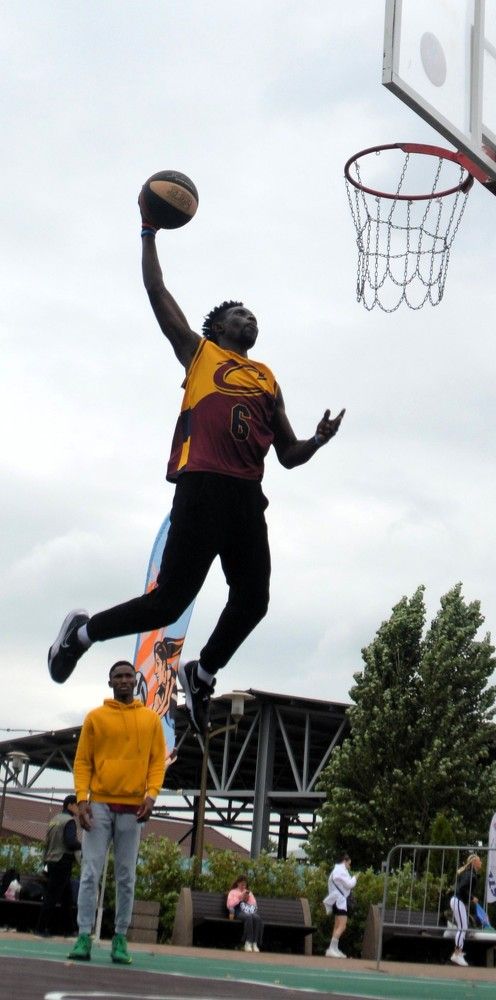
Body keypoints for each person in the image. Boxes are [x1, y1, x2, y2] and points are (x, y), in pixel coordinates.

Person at [48, 208, 345, 737]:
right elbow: (157, 292)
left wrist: (318, 441)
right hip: (203, 485)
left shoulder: (268, 379)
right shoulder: (198, 351)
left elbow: (288, 454)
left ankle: (202, 673)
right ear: (219, 327)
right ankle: (81, 634)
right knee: (169, 601)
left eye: (254, 315)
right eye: (240, 314)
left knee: (254, 600)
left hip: (247, 496)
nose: (250, 319)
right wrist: (149, 233)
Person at [68, 660, 166, 964]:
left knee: (126, 876)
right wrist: (82, 800)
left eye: (128, 676)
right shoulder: (95, 718)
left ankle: (120, 938)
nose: (123, 680)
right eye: (118, 677)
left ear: (136, 682)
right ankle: (84, 935)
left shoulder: (151, 719)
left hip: (133, 807)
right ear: (110, 682)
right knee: (90, 872)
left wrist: (151, 796)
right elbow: (82, 761)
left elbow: (157, 762)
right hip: (99, 804)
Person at [36, 794, 81, 937]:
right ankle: (41, 928)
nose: (79, 809)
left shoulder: (54, 820)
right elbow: (70, 842)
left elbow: (47, 842)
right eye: (77, 805)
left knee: (67, 897)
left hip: (51, 860)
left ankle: (68, 929)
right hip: (62, 861)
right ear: (70, 805)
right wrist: (82, 846)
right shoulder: (69, 821)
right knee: (52, 896)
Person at [449, 853, 483, 967]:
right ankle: (457, 953)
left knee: (463, 927)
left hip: (458, 901)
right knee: (463, 927)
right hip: (458, 901)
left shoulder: (470, 874)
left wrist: (471, 897)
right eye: (479, 860)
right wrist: (472, 898)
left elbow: (463, 888)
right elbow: (462, 888)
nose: (481, 862)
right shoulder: (470, 875)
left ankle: (458, 952)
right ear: (474, 862)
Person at [323, 852, 356, 958]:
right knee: (342, 926)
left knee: (337, 925)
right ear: (344, 861)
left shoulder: (335, 871)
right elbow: (350, 884)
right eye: (349, 864)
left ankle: (333, 948)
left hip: (335, 901)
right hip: (340, 902)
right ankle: (332, 948)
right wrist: (355, 878)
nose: (349, 866)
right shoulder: (340, 871)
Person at [227, 876, 263, 952]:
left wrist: (247, 899)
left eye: (245, 884)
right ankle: (248, 942)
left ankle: (254, 942)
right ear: (238, 883)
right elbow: (229, 905)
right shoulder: (233, 892)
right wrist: (240, 898)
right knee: (249, 917)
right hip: (238, 911)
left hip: (248, 911)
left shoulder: (249, 892)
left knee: (257, 918)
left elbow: (254, 904)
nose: (243, 886)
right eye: (242, 884)